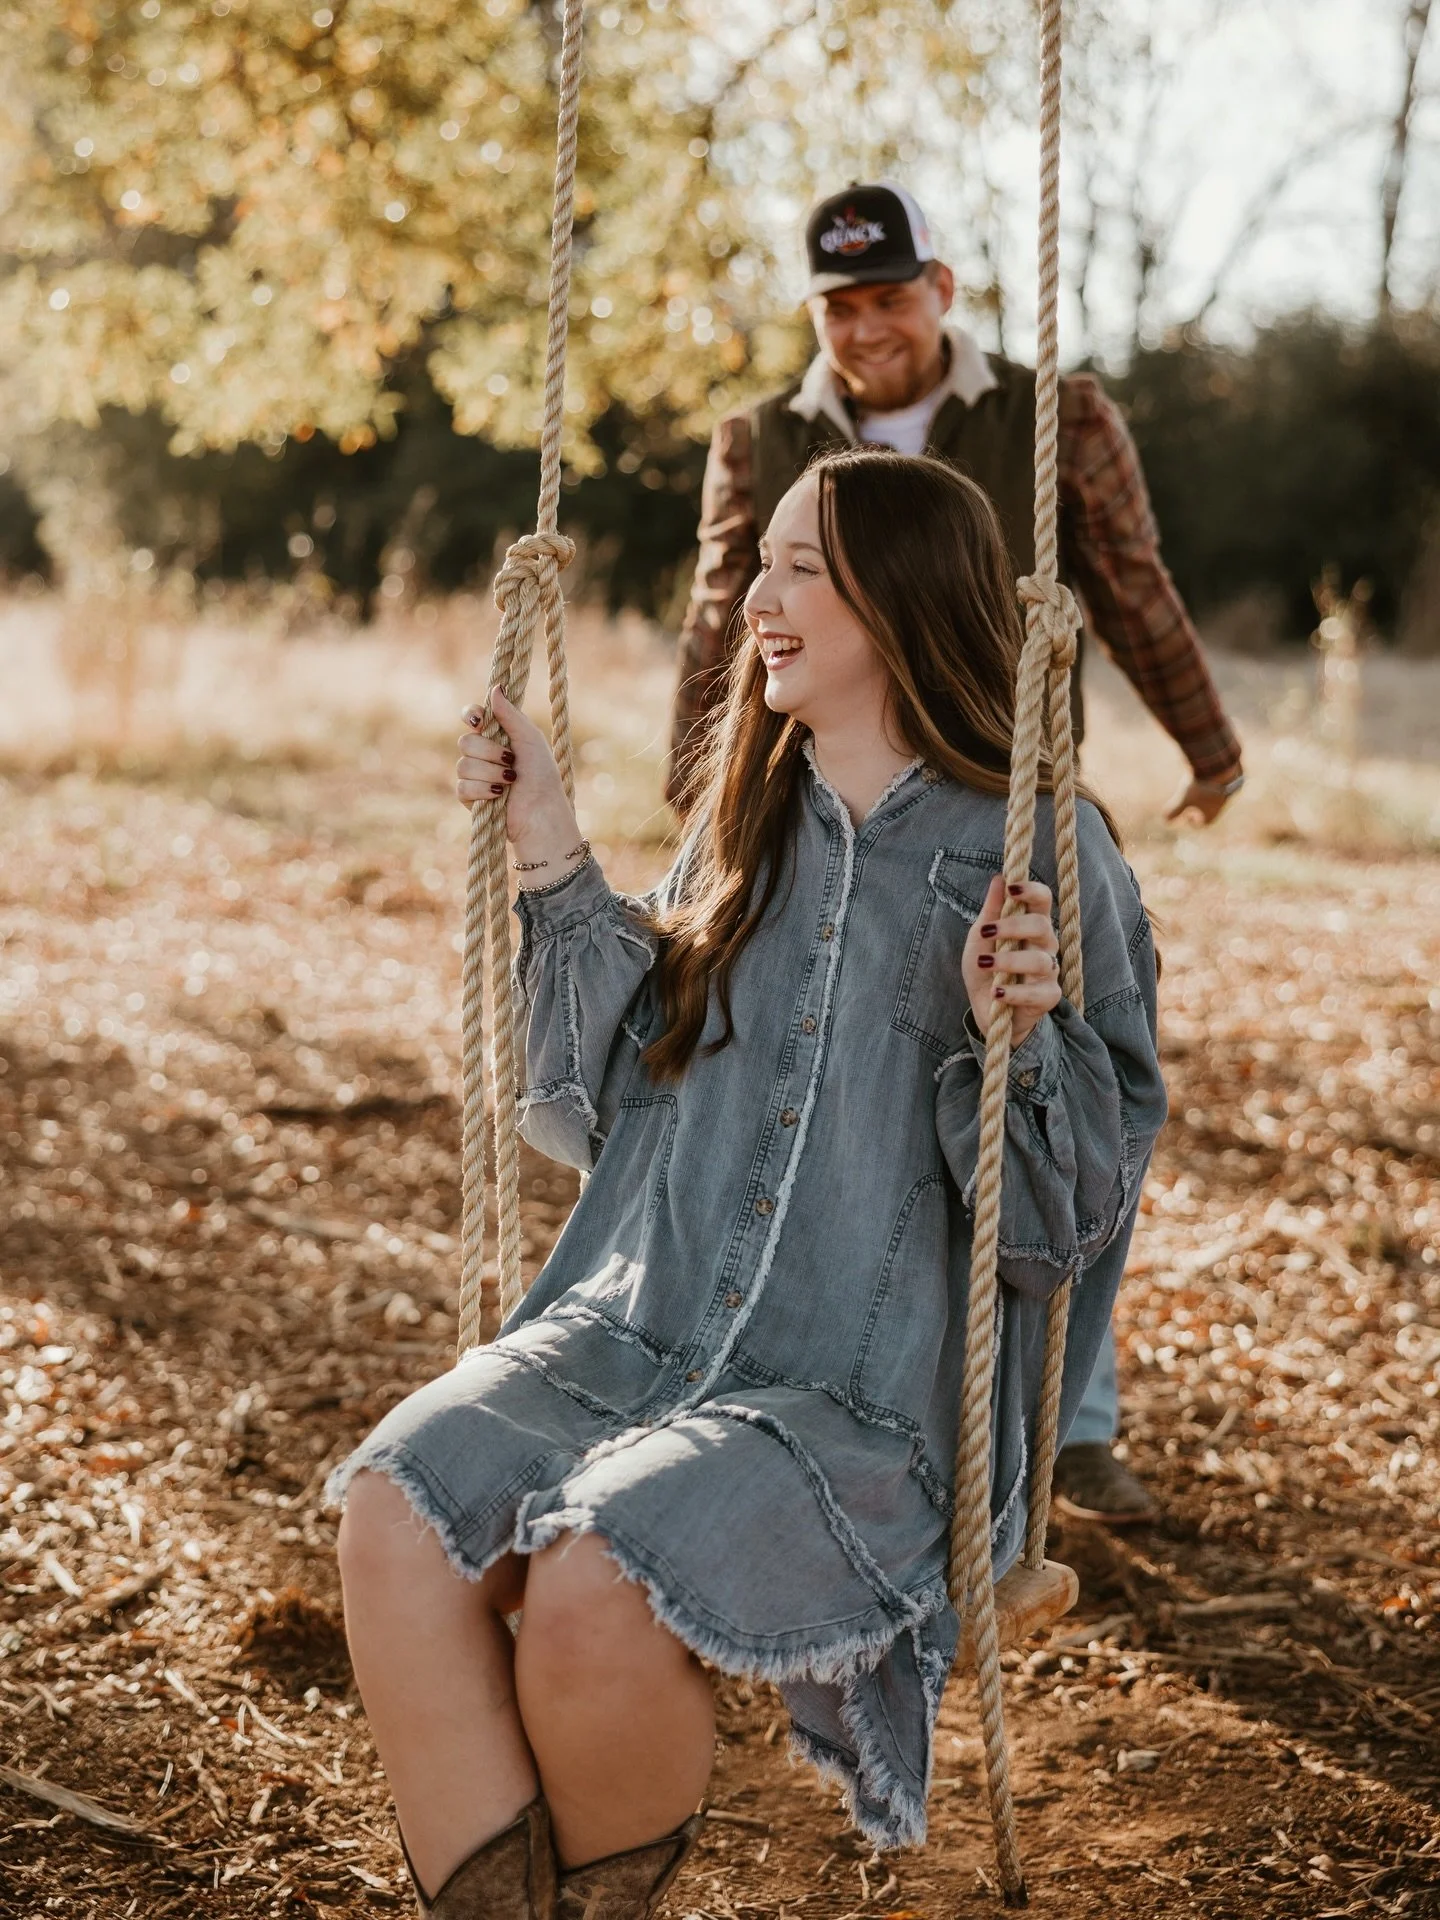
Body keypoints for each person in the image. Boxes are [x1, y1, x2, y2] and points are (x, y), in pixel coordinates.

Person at [328, 449, 1168, 1920]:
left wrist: (1022, 1044)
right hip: (634, 1330)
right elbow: (621, 1099)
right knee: (395, 1511)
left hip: (854, 1404)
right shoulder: (745, 824)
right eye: (762, 562)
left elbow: (1064, 1226)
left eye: (800, 569)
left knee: (599, 1573)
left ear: (899, 599)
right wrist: (549, 848)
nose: (755, 602)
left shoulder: (1039, 847)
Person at [668, 180, 1244, 1525]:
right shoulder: (764, 438)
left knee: (1062, 1086)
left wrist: (1208, 747)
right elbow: (720, 618)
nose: (866, 327)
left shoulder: (1054, 420)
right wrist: (698, 808)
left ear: (940, 291)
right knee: (838, 1095)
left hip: (1005, 803)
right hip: (824, 808)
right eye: (840, 307)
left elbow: (1132, 581)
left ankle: (1070, 1420)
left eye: (890, 297)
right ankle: (830, 1382)